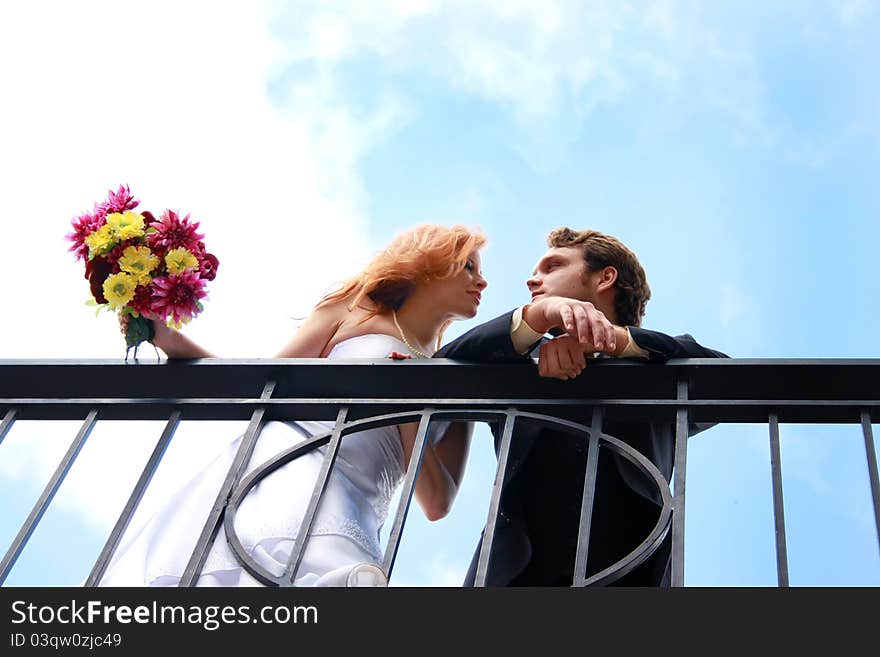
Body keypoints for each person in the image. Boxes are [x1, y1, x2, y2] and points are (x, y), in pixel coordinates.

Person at [99, 224, 488, 587]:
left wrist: (409, 405)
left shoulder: (457, 378)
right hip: (290, 460)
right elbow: (263, 385)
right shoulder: (350, 312)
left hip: (361, 502)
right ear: (429, 264)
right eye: (468, 266)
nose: (481, 280)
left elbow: (437, 503)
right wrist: (167, 338)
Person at [434, 226, 728, 586]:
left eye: (552, 266)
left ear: (605, 277)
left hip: (629, 574)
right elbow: (438, 374)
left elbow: (726, 381)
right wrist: (541, 316)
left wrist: (611, 341)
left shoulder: (661, 364)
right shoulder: (517, 363)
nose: (532, 279)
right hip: (512, 578)